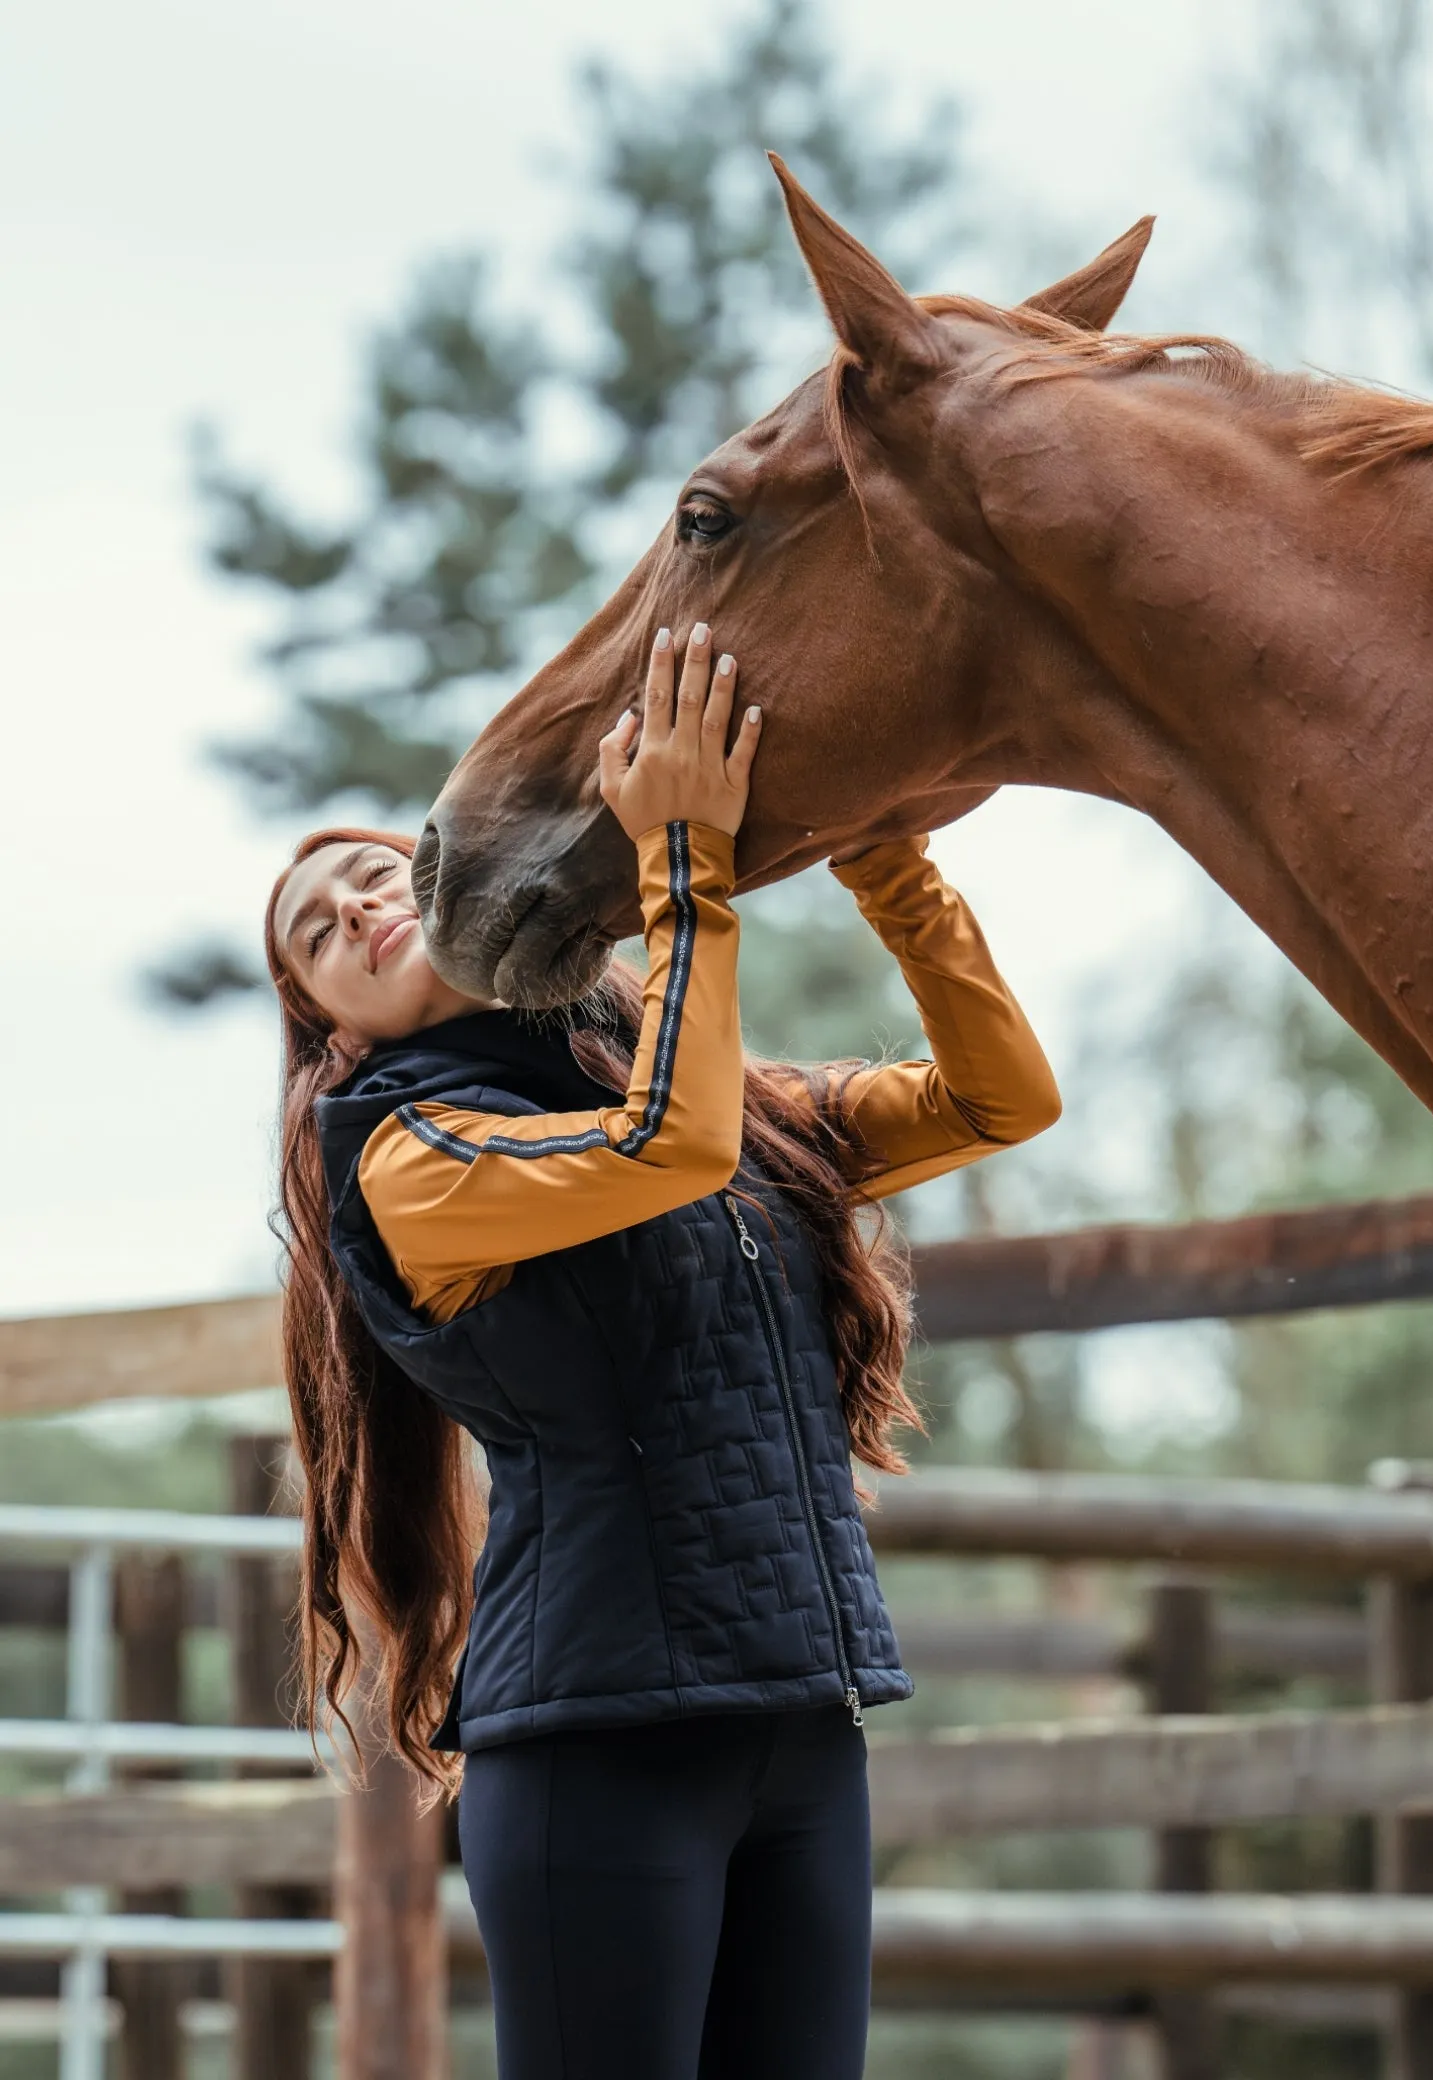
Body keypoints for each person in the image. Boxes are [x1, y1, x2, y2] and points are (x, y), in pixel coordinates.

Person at [263, 624, 1060, 2079]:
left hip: (801, 1726)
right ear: (330, 1032)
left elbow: (998, 1100)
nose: (358, 907)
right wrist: (680, 860)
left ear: (448, 882)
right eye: (318, 934)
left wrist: (888, 863)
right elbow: (669, 1150)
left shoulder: (671, 1072)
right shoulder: (407, 1156)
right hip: (599, 1750)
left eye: (377, 870)